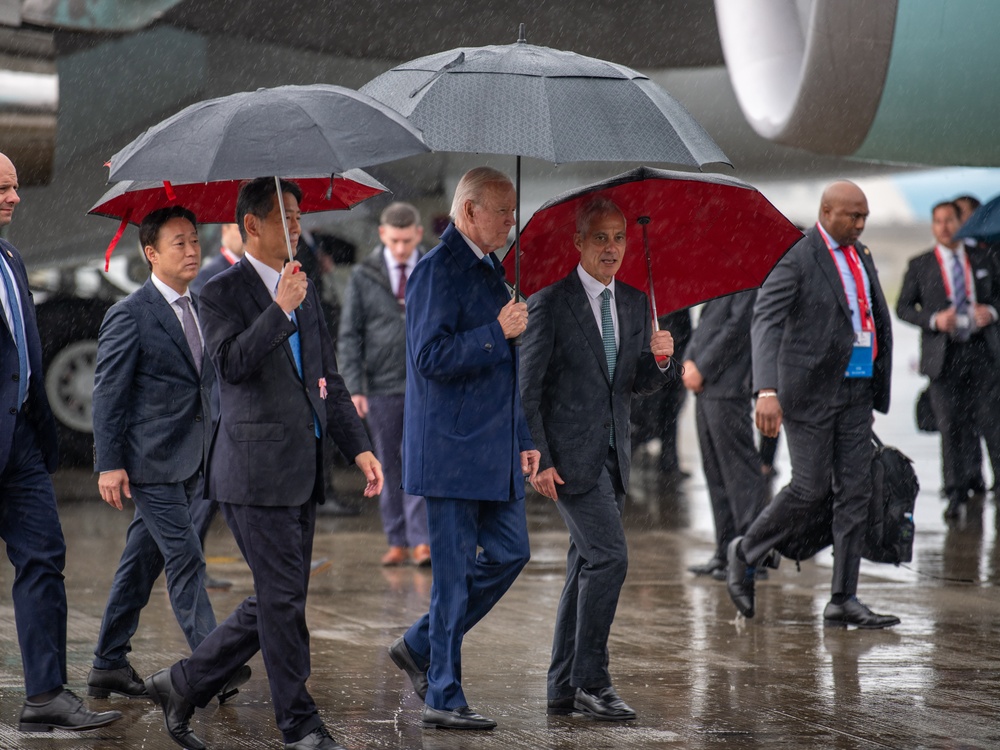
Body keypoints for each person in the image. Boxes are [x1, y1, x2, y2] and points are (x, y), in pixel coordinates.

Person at [143, 177, 383, 750]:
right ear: (252, 226)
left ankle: (184, 682)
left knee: (279, 597)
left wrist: (359, 444)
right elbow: (229, 366)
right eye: (287, 217)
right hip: (252, 471)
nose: (297, 226)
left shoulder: (304, 283)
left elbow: (329, 378)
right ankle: (299, 723)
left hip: (303, 468)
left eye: (300, 216)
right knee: (281, 599)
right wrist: (278, 311)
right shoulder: (218, 290)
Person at [387, 167, 539, 731]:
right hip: (451, 450)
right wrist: (496, 332)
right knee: (452, 579)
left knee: (511, 553)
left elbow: (507, 371)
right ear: (469, 211)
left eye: (513, 210)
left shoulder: (494, 270)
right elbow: (429, 357)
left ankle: (419, 644)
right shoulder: (436, 270)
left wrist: (523, 438)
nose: (511, 220)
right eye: (503, 211)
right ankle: (443, 696)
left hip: (493, 447)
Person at [520, 197, 673, 721]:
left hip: (613, 457)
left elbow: (632, 385)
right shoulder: (550, 301)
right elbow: (529, 387)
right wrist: (537, 457)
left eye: (620, 239)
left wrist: (660, 359)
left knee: (585, 564)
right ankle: (592, 679)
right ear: (578, 243)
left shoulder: (633, 302)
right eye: (601, 238)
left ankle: (562, 686)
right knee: (610, 558)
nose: (612, 249)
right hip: (568, 458)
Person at [727, 181, 899, 629]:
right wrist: (767, 390)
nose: (860, 225)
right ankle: (746, 549)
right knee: (810, 488)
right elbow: (766, 317)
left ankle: (843, 597)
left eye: (864, 217)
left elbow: (871, 315)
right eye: (852, 216)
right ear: (827, 211)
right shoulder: (798, 254)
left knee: (855, 492)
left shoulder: (861, 254)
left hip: (857, 389)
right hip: (809, 391)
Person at [88, 206, 236, 703]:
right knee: (186, 557)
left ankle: (108, 663)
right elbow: (108, 394)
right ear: (150, 253)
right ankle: (214, 664)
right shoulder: (129, 314)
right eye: (180, 243)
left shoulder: (202, 306)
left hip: (192, 457)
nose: (193, 250)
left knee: (141, 562)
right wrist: (109, 463)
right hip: (148, 461)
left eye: (196, 240)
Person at [0, 151, 121, 733]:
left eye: (16, 187)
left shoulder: (11, 260)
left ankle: (46, 695)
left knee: (44, 558)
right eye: (4, 188)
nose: (16, 197)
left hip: (20, 440)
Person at [338, 202, 430, 566]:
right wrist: (354, 387)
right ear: (382, 235)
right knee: (386, 465)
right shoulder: (364, 275)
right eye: (395, 240)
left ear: (419, 234)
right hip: (380, 385)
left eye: (407, 240)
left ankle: (421, 538)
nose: (402, 248)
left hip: (425, 384)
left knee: (419, 462)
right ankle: (397, 539)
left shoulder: (433, 268)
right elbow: (349, 334)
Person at [896, 200, 1000, 521]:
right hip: (944, 356)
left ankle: (993, 480)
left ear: (961, 224)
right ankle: (954, 490)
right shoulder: (920, 264)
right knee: (951, 425)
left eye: (950, 221)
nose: (944, 227)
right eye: (937, 221)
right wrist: (934, 321)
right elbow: (903, 308)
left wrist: (992, 312)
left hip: (982, 352)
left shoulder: (983, 258)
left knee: (990, 421)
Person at [683, 289, 767, 579]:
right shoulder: (724, 279)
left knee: (741, 475)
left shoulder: (746, 282)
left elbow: (737, 328)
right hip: (707, 389)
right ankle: (725, 552)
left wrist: (702, 367)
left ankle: (750, 556)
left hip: (728, 388)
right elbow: (704, 326)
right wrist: (688, 361)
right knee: (716, 473)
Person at [189, 222, 243, 295]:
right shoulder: (209, 273)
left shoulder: (253, 269)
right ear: (225, 231)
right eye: (240, 229)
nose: (246, 234)